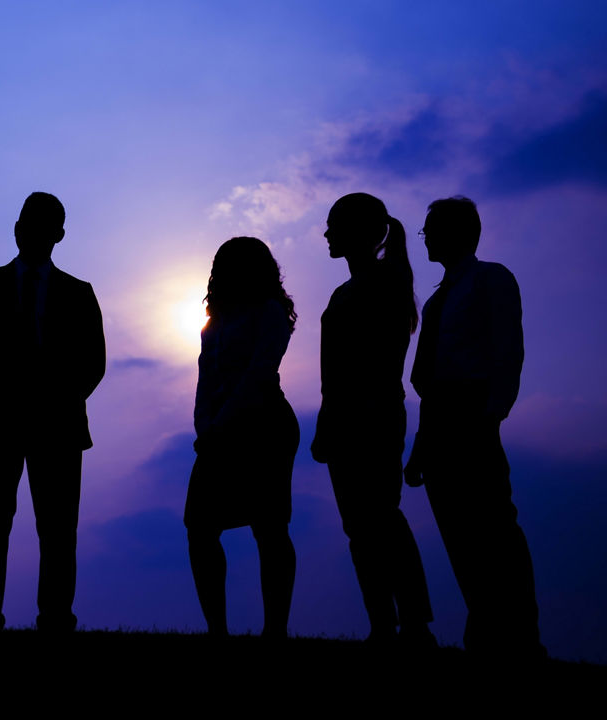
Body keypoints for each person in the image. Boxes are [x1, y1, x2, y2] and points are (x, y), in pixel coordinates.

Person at [0, 192, 105, 632]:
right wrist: (7, 395)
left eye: (44, 225)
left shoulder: (80, 294)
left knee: (58, 532)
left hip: (57, 426)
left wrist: (55, 400)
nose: (32, 232)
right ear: (17, 227)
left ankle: (56, 621)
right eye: (27, 223)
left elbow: (93, 363)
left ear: (58, 235)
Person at [404, 196, 544, 658]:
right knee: (458, 533)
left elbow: (507, 352)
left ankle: (521, 637)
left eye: (431, 229)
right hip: (441, 418)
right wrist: (422, 444)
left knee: (495, 530)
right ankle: (485, 631)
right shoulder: (440, 298)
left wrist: (490, 416)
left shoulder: (491, 280)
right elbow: (428, 382)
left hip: (472, 415)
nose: (426, 239)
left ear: (459, 232)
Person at [312, 193, 435, 647]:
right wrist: (329, 421)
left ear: (359, 232)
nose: (326, 234)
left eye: (333, 225)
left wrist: (342, 416)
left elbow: (369, 365)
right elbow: (335, 373)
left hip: (373, 417)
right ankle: (384, 624)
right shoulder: (353, 289)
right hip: (350, 419)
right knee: (361, 528)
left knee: (380, 519)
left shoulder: (381, 285)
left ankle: (414, 624)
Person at [185, 237, 298, 639]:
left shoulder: (269, 312)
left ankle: (275, 630)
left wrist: (220, 425)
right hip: (217, 433)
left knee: (269, 526)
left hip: (264, 425)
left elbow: (259, 372)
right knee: (199, 526)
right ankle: (217, 629)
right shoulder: (212, 322)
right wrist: (204, 426)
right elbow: (204, 379)